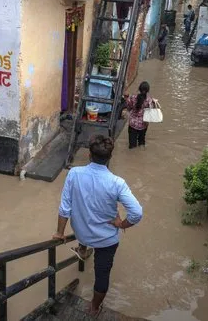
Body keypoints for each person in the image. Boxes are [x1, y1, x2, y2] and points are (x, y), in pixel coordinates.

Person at [53, 135, 143, 317]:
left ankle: (82, 249)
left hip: (81, 232)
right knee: (102, 275)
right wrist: (121, 223)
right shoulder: (117, 183)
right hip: (106, 240)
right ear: (110, 157)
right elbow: (137, 213)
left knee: (85, 220)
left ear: (89, 155)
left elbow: (65, 208)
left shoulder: (74, 173)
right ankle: (94, 308)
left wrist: (59, 233)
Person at [125, 81, 153, 149]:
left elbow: (128, 107)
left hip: (133, 124)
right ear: (148, 90)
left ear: (139, 89)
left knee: (132, 146)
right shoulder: (149, 100)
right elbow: (151, 112)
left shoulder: (132, 97)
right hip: (144, 124)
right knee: (142, 142)